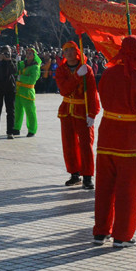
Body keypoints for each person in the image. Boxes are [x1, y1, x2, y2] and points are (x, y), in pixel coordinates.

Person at [92, 35, 136, 248]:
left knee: (104, 187)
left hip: (106, 135)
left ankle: (101, 231)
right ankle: (122, 235)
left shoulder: (108, 73)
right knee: (127, 190)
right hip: (128, 139)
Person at [56, 41, 100, 189]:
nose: (68, 52)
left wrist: (92, 113)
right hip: (67, 111)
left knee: (86, 144)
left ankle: (88, 175)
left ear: (77, 52)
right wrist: (76, 77)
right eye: (65, 50)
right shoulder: (61, 70)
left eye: (71, 50)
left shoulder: (86, 69)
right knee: (69, 144)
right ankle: (74, 174)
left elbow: (92, 92)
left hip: (83, 110)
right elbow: (64, 90)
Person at [13, 47, 41, 137]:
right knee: (17, 111)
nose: (28, 55)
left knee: (30, 112)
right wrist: (15, 62)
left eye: (30, 54)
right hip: (18, 91)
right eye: (27, 53)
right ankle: (16, 128)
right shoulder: (21, 64)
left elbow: (32, 80)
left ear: (34, 56)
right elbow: (15, 72)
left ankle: (32, 130)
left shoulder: (35, 67)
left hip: (28, 92)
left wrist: (21, 78)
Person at [0, 46, 18, 139]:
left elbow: (14, 71)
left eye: (8, 52)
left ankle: (10, 132)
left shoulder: (12, 61)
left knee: (10, 111)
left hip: (10, 89)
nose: (6, 54)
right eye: (5, 52)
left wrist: (9, 60)